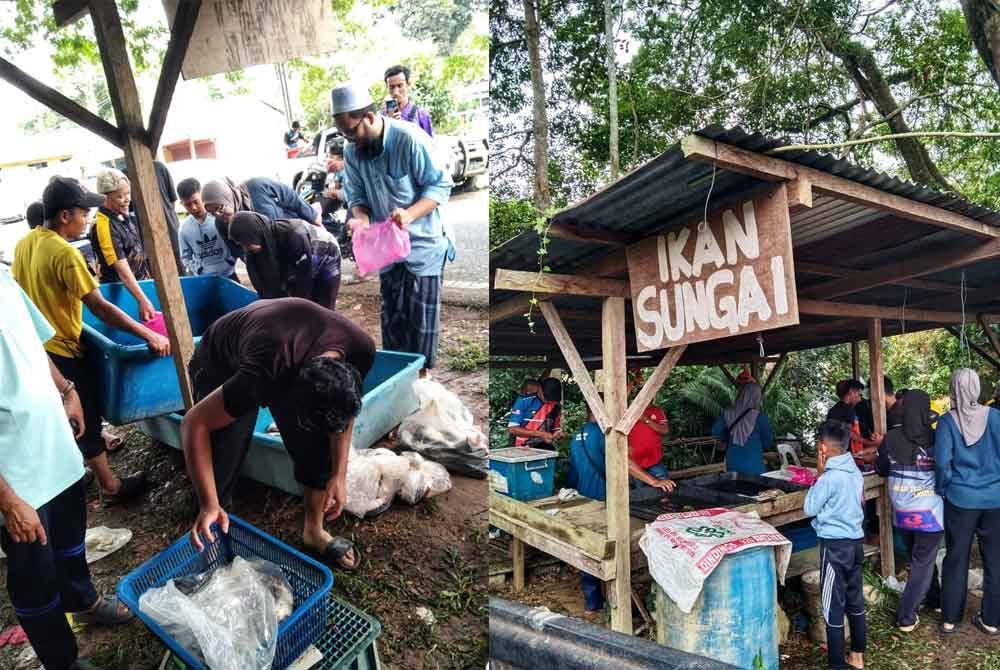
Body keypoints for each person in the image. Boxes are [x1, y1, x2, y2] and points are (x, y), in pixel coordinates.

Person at [0, 264, 134, 670]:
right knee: (34, 576)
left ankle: (84, 601)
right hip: (16, 476)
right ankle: (62, 661)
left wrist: (66, 389)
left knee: (71, 538)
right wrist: (8, 503)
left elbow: (31, 343)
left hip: (53, 446)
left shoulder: (3, 279)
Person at [180, 298, 373, 570]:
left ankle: (313, 532)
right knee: (224, 448)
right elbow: (193, 424)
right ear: (289, 396)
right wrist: (209, 503)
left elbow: (343, 415)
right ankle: (212, 524)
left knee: (315, 448)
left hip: (278, 346)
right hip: (220, 360)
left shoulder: (360, 349)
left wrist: (338, 475)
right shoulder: (267, 371)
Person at [12, 177, 168, 505]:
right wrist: (148, 333)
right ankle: (109, 486)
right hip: (62, 348)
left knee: (65, 415)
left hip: (38, 348)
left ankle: (80, 466)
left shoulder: (26, 243)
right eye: (84, 213)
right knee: (87, 413)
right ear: (65, 215)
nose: (87, 220)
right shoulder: (64, 253)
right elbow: (98, 306)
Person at [332, 82, 453, 374]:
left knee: (421, 324)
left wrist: (410, 214)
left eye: (351, 131)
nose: (349, 140)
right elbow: (357, 197)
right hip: (387, 250)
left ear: (369, 118)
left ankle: (423, 380)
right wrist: (360, 217)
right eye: (344, 134)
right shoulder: (353, 153)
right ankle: (400, 380)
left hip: (423, 247)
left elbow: (440, 185)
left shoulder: (409, 139)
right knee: (393, 321)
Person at [934, 368, 1000, 636]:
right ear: (976, 388)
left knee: (956, 557)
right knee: (995, 560)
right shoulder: (996, 417)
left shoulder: (948, 422)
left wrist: (944, 489)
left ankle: (950, 619)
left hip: (960, 500)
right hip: (995, 500)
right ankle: (992, 620)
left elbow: (941, 462)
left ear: (954, 388)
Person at [874, 389, 943, 632]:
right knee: (922, 561)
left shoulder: (891, 438)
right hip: (930, 513)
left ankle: (935, 599)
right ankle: (906, 615)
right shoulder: (936, 438)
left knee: (920, 557)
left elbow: (881, 469)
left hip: (902, 512)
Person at [804, 420, 867, 670]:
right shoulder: (855, 472)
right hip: (855, 543)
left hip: (834, 548)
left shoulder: (829, 478)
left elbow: (809, 508)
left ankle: (836, 665)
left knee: (832, 605)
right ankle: (858, 655)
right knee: (855, 599)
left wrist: (818, 475)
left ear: (823, 448)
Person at [228, 212, 342, 310]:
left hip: (326, 255)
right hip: (299, 262)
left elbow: (303, 282)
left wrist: (294, 310)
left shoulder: (294, 234)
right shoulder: (256, 248)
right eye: (241, 244)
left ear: (253, 234)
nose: (245, 248)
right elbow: (265, 287)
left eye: (245, 243)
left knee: (322, 307)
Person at [89, 168, 157, 322]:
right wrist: (142, 300)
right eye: (120, 196)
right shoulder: (103, 225)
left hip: (141, 286)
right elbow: (122, 270)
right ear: (104, 198)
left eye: (128, 194)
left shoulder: (123, 215)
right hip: (123, 294)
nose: (127, 200)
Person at [567, 403, 606, 615]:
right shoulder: (605, 436)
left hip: (583, 498)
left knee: (587, 548)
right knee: (608, 549)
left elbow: (572, 471)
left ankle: (593, 602)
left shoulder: (576, 436)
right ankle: (613, 597)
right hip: (605, 498)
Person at [176, 177, 240, 281]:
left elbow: (235, 242)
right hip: (204, 279)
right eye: (188, 204)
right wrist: (198, 269)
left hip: (229, 274)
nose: (194, 208)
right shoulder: (183, 229)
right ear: (182, 204)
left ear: (202, 196)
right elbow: (185, 257)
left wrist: (231, 261)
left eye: (196, 201)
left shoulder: (220, 217)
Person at [202, 176, 322, 229]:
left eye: (220, 208)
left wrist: (312, 216)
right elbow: (238, 251)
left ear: (227, 198)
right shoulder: (221, 224)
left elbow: (290, 196)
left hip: (295, 234)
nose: (218, 215)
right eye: (212, 213)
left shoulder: (257, 186)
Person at [712, 381, 774, 475]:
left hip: (732, 463)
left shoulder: (728, 414)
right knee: (757, 488)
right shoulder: (760, 418)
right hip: (754, 465)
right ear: (756, 397)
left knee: (736, 487)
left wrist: (727, 437)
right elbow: (768, 442)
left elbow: (715, 431)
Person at [826, 379, 882, 465]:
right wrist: (870, 443)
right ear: (851, 392)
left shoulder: (835, 410)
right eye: (859, 395)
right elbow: (849, 433)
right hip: (842, 457)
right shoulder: (845, 410)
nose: (860, 399)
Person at [508, 377, 563, 448]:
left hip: (543, 446)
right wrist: (541, 434)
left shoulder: (556, 405)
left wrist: (557, 434)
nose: (549, 401)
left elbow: (555, 428)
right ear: (540, 389)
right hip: (521, 445)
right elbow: (512, 429)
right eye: (546, 398)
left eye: (552, 399)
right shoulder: (524, 400)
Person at [383, 65, 433, 137]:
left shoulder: (421, 115)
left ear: (408, 84)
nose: (395, 92)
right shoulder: (381, 116)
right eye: (391, 87)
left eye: (400, 86)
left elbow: (430, 145)